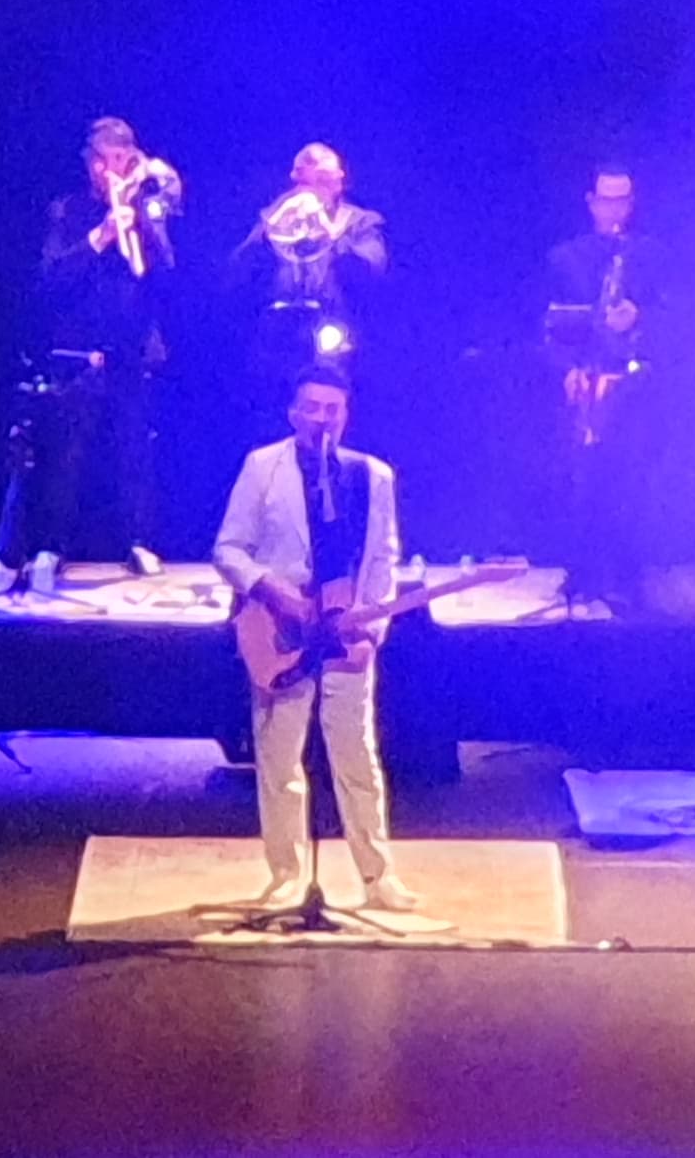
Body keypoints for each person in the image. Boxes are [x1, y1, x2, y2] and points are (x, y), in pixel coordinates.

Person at [212, 366, 421, 915]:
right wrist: (273, 591)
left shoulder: (371, 475)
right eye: (312, 407)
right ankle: (286, 874)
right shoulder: (263, 467)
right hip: (282, 630)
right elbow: (228, 549)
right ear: (293, 411)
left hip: (346, 630)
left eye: (332, 408)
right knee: (280, 758)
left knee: (357, 757)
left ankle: (378, 878)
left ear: (345, 414)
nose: (322, 418)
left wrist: (372, 630)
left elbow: (383, 559)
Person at [34, 117, 180, 560]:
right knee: (67, 452)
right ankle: (51, 548)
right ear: (89, 163)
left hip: (134, 348)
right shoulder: (67, 211)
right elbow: (50, 279)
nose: (109, 170)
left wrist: (143, 224)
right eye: (101, 160)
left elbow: (166, 273)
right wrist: (100, 237)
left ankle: (140, 542)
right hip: (80, 349)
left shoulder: (149, 209)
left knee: (135, 449)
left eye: (120, 160)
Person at [540, 165, 648, 607]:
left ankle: (625, 576)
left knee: (628, 481)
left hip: (634, 385)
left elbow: (678, 316)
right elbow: (547, 325)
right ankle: (580, 570)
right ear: (591, 203)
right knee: (579, 479)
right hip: (584, 378)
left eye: (621, 200)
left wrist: (639, 317)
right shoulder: (564, 258)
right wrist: (566, 368)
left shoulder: (651, 255)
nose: (613, 210)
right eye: (606, 200)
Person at [232, 141, 390, 399]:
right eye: (306, 182)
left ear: (338, 182)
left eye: (323, 181)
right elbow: (236, 273)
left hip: (333, 334)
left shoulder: (360, 222)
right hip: (277, 336)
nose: (313, 190)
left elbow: (373, 271)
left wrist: (331, 234)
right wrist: (271, 227)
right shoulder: (274, 218)